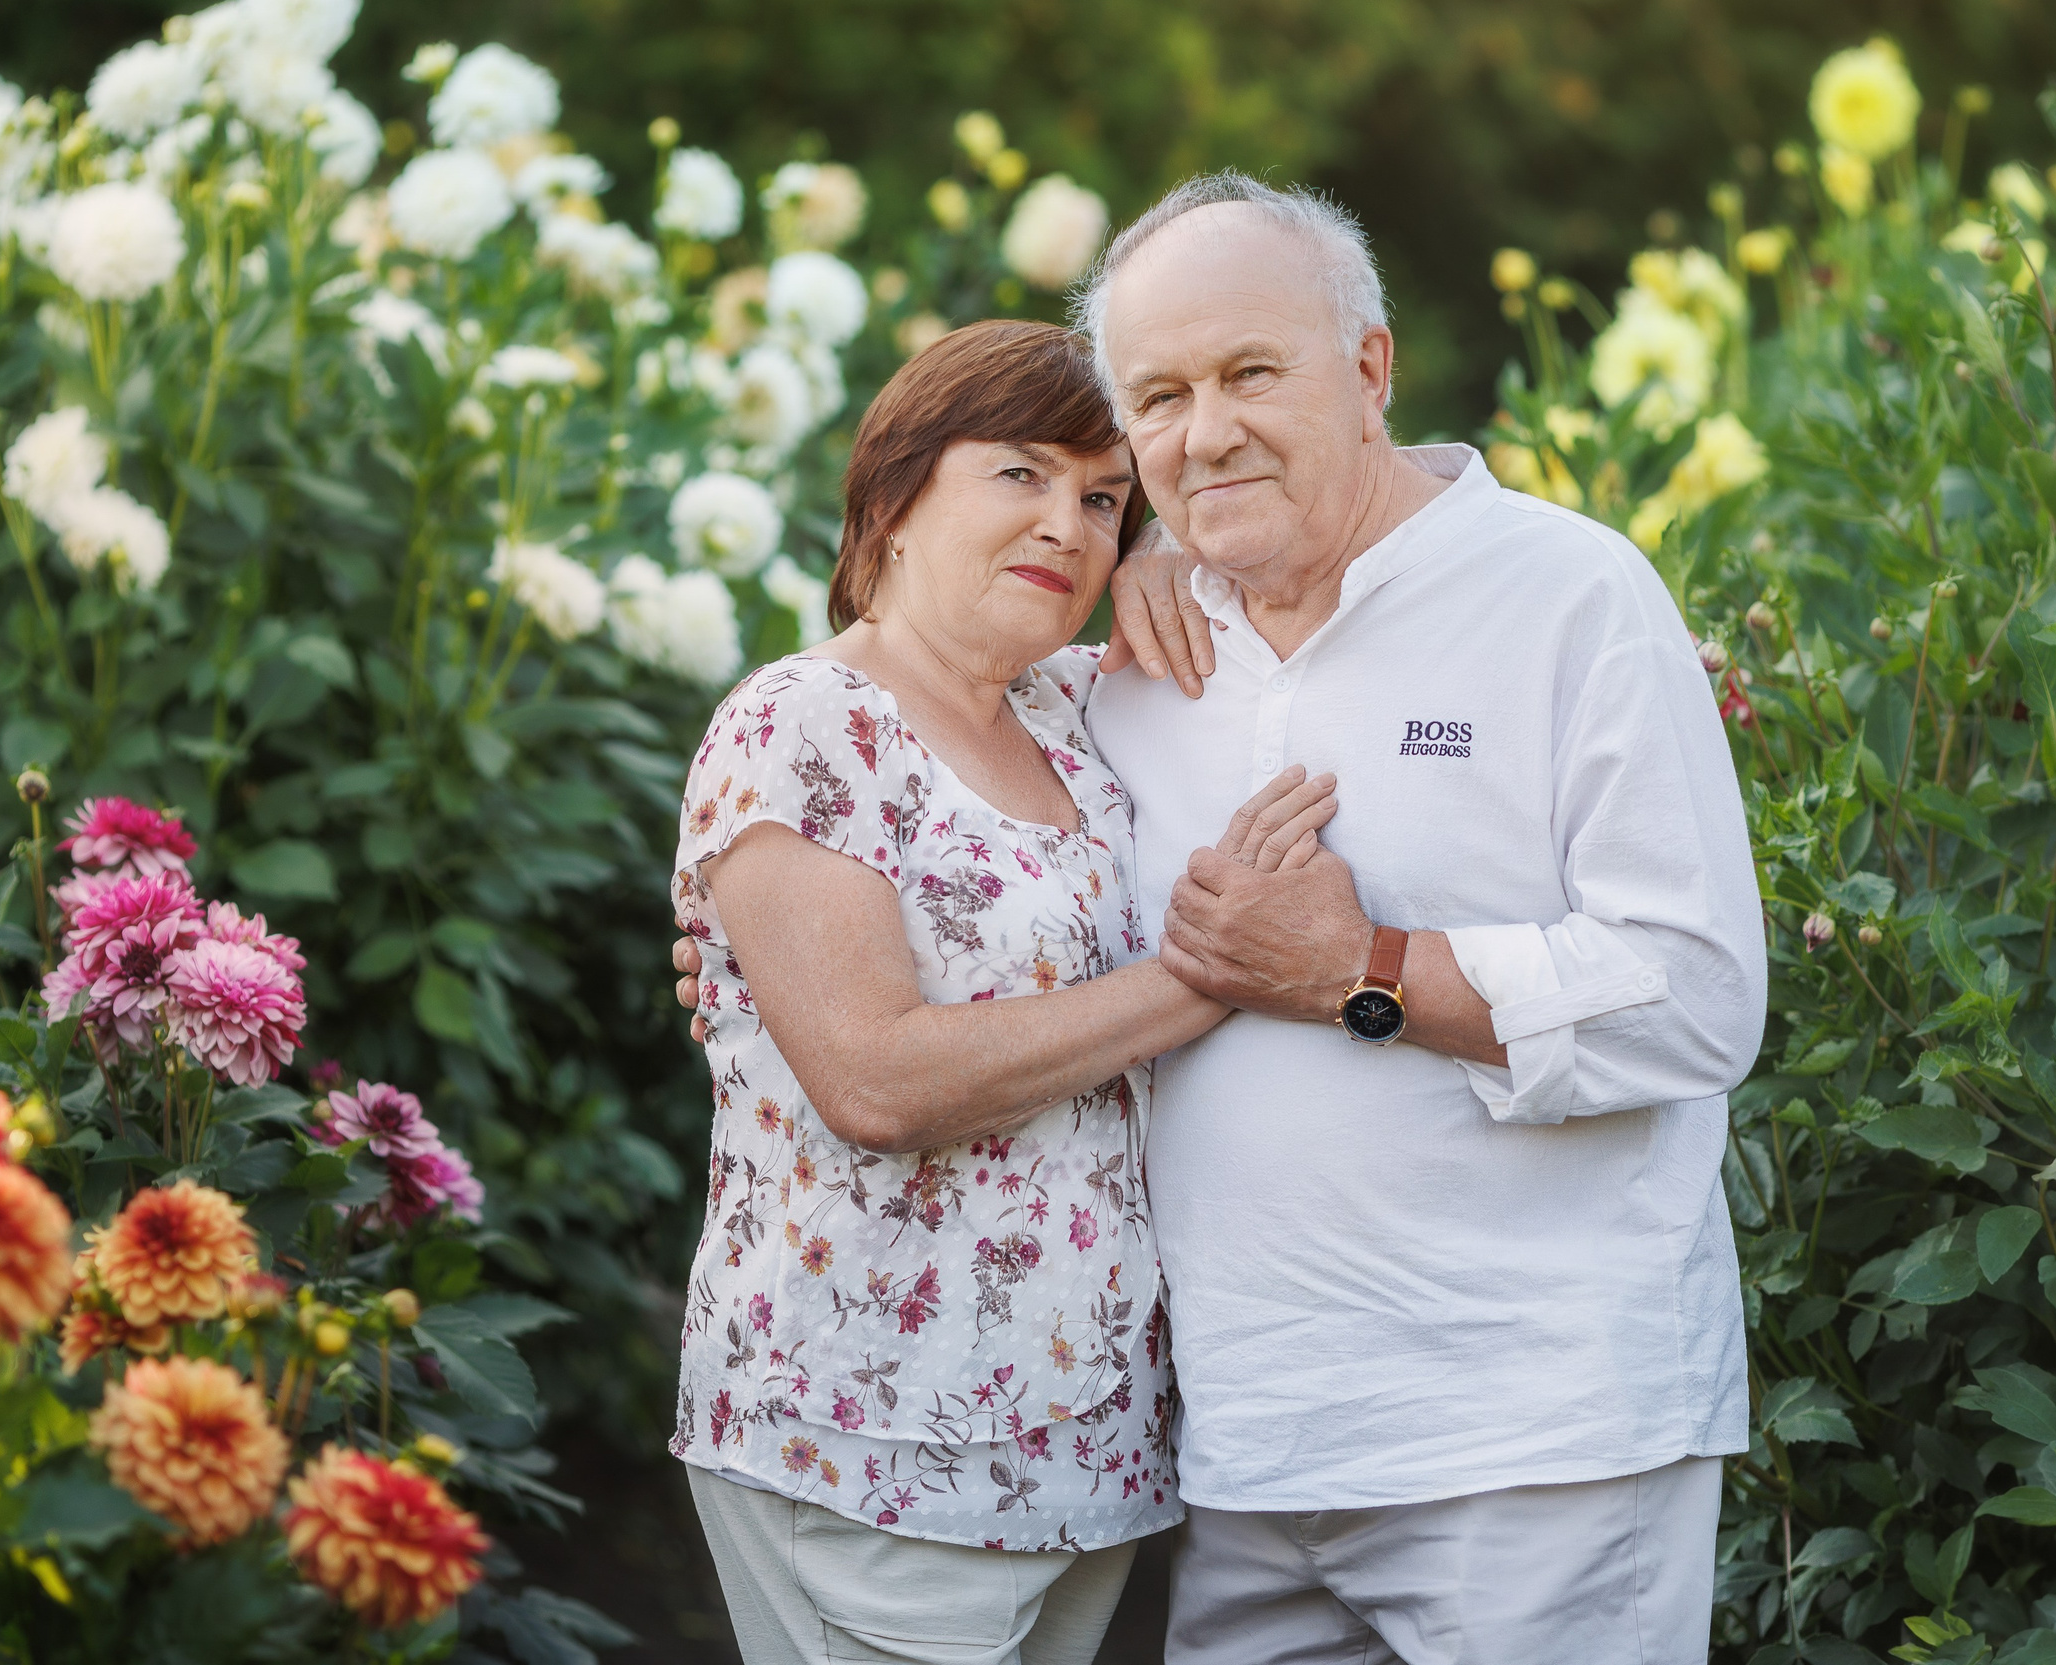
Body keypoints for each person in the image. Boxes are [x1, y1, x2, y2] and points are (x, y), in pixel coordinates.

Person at [1072, 173, 1769, 1663]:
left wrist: (1362, 969)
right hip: (1247, 1452)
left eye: (1254, 372)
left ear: (1370, 366)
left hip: (1540, 1446)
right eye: (1162, 396)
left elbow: (1700, 991)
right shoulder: (1130, 663)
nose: (1207, 432)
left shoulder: (1570, 596)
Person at [665, 318, 1339, 1665]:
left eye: (1100, 497)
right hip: (876, 1434)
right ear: (895, 496)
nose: (1070, 524)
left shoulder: (1073, 712)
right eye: (1021, 474)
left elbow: (1319, 516)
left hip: (1087, 1441)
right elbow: (875, 1077)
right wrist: (1212, 972)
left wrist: (1169, 547)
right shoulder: (803, 723)